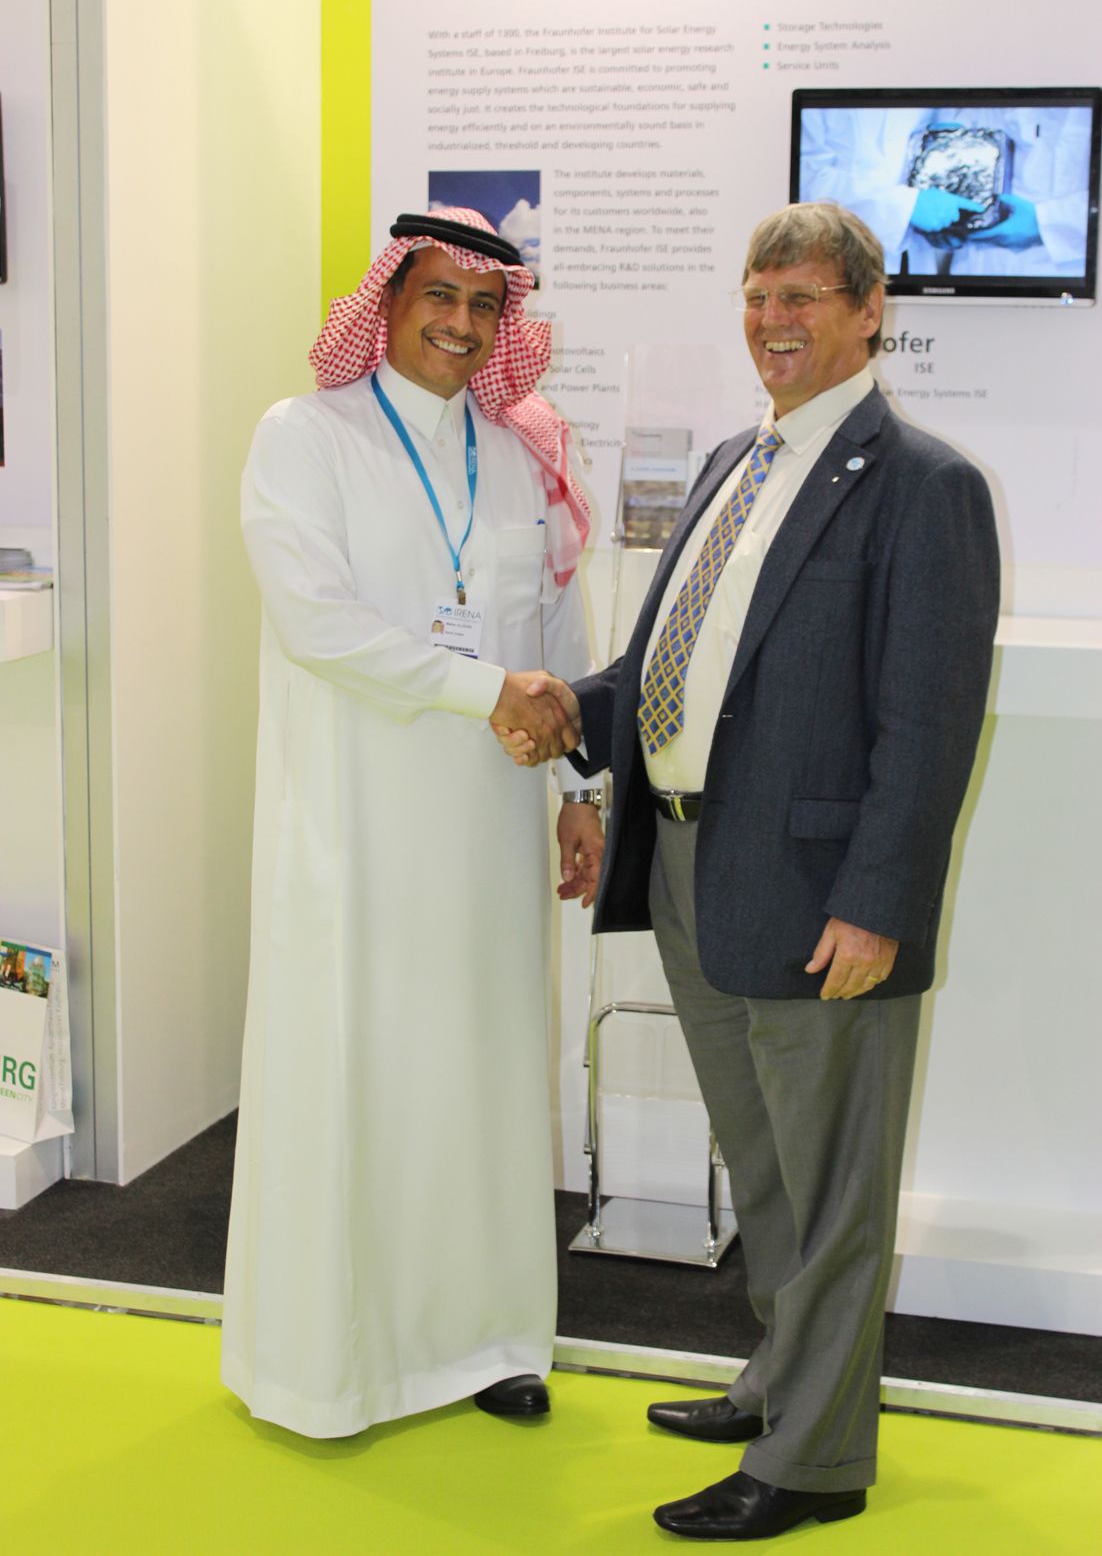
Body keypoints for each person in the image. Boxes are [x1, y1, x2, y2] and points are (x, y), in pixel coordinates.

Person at [502, 203, 1000, 1539]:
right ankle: (781, 1378)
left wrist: (877, 902)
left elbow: (926, 724)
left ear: (864, 311)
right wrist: (572, 709)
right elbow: (684, 671)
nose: (772, 320)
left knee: (833, 1186)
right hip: (689, 868)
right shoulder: (738, 458)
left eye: (801, 297)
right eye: (756, 293)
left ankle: (816, 1461)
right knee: (767, 1169)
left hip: (819, 899)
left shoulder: (923, 486)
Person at [221, 207, 604, 1439]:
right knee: (358, 1076)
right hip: (354, 830)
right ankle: (328, 1366)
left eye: (484, 305)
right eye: (438, 295)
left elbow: (554, 639)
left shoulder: (517, 451)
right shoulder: (304, 437)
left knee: (486, 1079)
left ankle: (491, 1338)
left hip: (488, 830)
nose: (460, 321)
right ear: (385, 304)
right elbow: (315, 623)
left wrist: (580, 790)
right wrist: (479, 689)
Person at [800, 103, 1091, 278]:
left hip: (1062, 277)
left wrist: (1046, 223)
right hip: (962, 272)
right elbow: (803, 178)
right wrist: (916, 209)